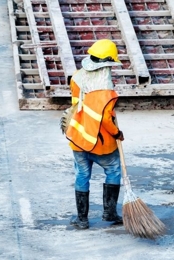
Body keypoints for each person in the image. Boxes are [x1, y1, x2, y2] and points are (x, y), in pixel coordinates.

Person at [64, 39, 125, 229]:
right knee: (113, 170)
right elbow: (106, 120)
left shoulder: (76, 78)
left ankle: (82, 220)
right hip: (101, 143)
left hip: (79, 138)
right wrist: (117, 133)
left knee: (82, 175)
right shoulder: (105, 92)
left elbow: (76, 106)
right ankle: (110, 213)